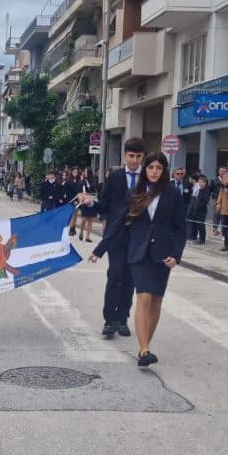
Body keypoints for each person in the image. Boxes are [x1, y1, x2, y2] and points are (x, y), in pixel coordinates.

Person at [89, 152, 187, 367]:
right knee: (143, 297)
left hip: (163, 254)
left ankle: (145, 344)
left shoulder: (173, 194)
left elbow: (181, 228)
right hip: (138, 252)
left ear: (164, 171)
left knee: (156, 301)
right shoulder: (135, 193)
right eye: (151, 167)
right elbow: (118, 223)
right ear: (145, 169)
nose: (154, 171)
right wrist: (100, 249)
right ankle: (144, 350)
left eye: (159, 168)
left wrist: (176, 255)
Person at [79, 137, 146, 338]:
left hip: (137, 238)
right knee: (115, 274)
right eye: (131, 156)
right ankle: (109, 320)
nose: (134, 160)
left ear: (143, 157)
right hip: (115, 235)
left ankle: (122, 318)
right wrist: (91, 203)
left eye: (138, 156)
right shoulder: (115, 177)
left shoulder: (147, 178)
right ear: (125, 155)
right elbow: (105, 205)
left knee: (129, 279)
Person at [215, 166, 228, 251]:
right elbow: (220, 195)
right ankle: (226, 245)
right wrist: (218, 203)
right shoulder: (222, 186)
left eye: (227, 176)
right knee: (224, 228)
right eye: (224, 176)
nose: (225, 177)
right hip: (223, 209)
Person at [188, 174, 210, 245]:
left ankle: (202, 239)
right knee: (196, 223)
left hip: (202, 210)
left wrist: (198, 206)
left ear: (205, 183)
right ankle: (196, 237)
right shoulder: (199, 190)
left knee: (201, 224)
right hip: (196, 209)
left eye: (201, 182)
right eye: (199, 182)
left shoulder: (206, 191)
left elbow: (205, 201)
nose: (199, 184)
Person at [78, 170, 97, 242]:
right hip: (84, 201)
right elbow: (79, 191)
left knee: (90, 219)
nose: (84, 173)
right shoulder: (82, 181)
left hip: (91, 201)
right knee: (84, 219)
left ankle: (87, 237)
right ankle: (81, 231)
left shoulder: (93, 181)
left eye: (85, 172)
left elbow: (95, 190)